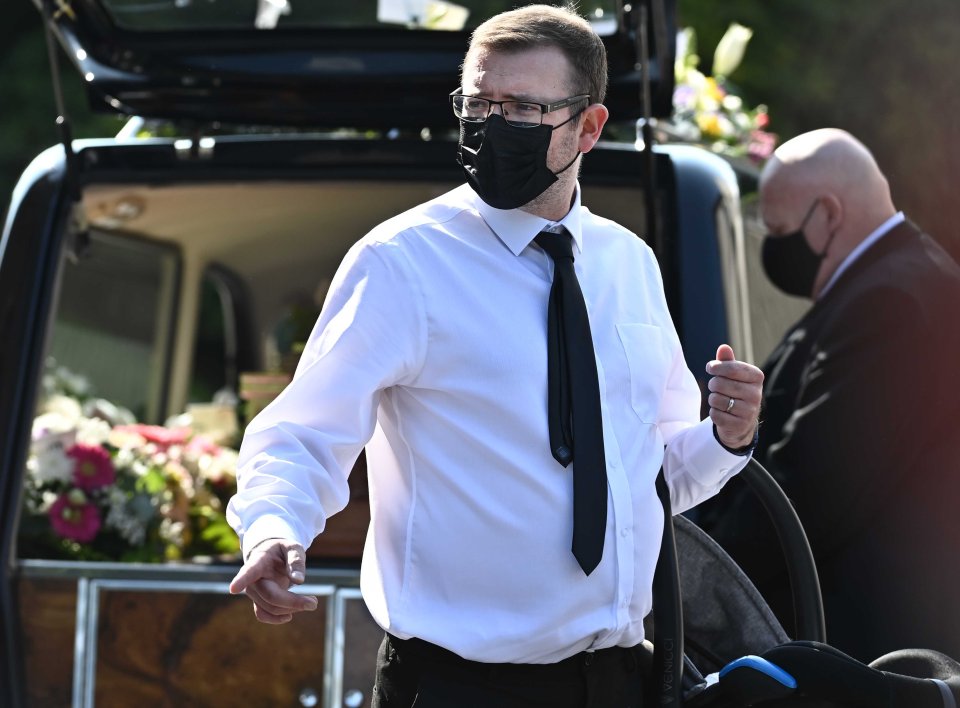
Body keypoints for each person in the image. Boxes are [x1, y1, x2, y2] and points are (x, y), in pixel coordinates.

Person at [225, 5, 763, 706]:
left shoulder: (628, 265)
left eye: (523, 107)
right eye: (478, 103)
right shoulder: (402, 264)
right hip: (460, 687)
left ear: (589, 128)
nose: (491, 125)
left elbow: (646, 482)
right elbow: (299, 433)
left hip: (621, 682)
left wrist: (728, 438)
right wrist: (274, 529)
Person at [699, 128, 960, 663]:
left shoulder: (892, 303)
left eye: (779, 229)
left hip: (863, 655)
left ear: (829, 215)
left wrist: (699, 575)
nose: (774, 246)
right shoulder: (896, 280)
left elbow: (810, 488)